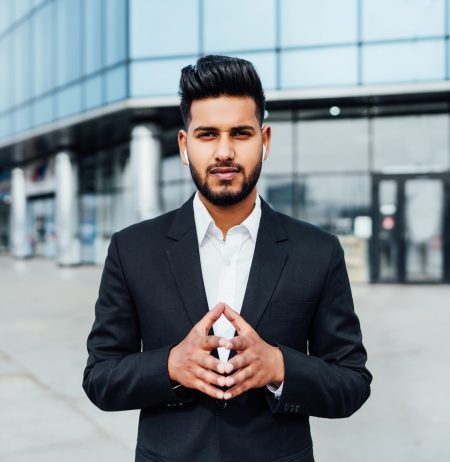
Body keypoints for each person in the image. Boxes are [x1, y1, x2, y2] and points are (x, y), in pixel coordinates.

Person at [83, 55, 372, 462]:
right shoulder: (132, 250)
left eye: (240, 133)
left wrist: (279, 366)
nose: (224, 151)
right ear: (184, 146)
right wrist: (169, 365)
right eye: (207, 135)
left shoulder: (317, 251)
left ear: (264, 140)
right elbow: (100, 378)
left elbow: (352, 383)